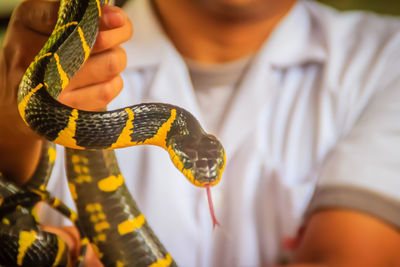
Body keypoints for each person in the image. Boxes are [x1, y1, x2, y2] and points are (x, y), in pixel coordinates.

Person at [1, 0, 400, 266]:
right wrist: (11, 128)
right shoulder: (75, 39)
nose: (203, 175)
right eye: (191, 163)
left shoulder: (386, 57)